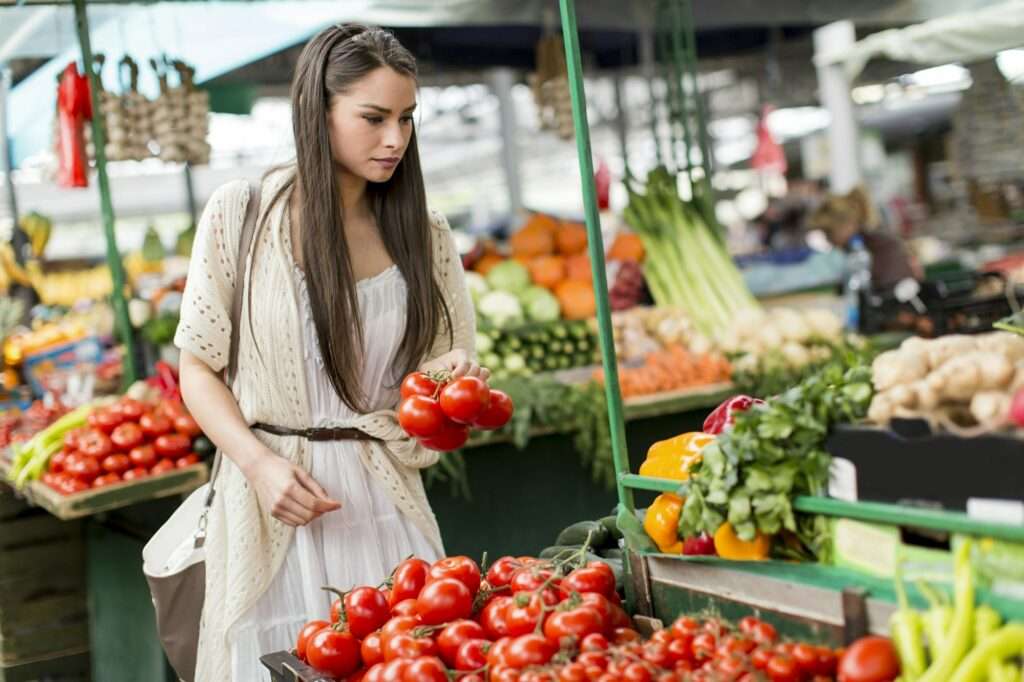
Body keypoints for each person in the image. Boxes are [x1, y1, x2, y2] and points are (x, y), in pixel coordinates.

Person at [173, 24, 485, 681]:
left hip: (387, 508)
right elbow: (197, 368)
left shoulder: (424, 232)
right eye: (373, 118)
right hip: (272, 509)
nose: (395, 139)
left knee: (404, 660)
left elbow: (446, 371)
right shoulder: (243, 214)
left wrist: (451, 386)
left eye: (406, 118)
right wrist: (258, 465)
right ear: (318, 112)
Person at [808, 185, 922, 289]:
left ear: (848, 225)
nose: (828, 239)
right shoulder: (853, 251)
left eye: (829, 232)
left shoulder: (881, 248)